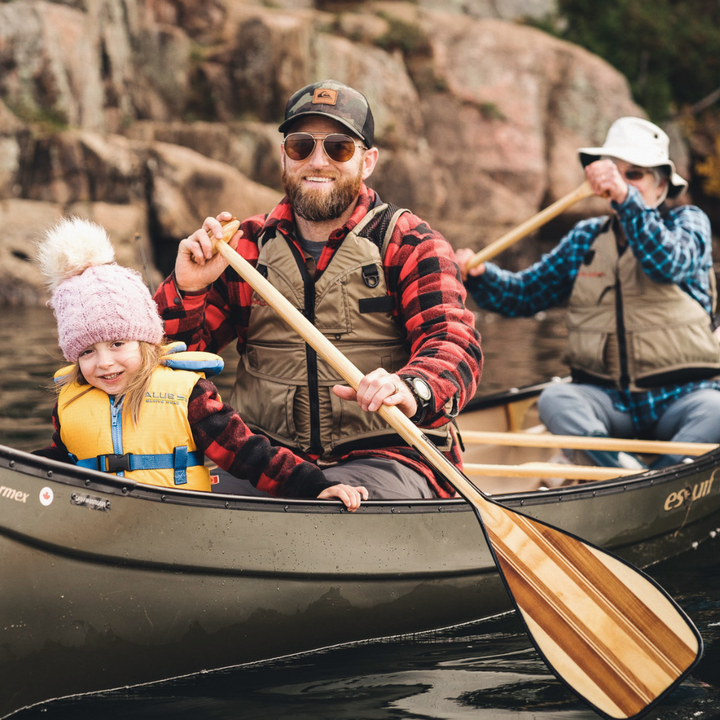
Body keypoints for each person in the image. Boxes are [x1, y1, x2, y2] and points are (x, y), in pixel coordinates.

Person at [154, 79, 482, 499]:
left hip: (388, 456)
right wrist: (188, 288)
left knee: (345, 512)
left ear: (368, 161)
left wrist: (412, 387)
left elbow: (455, 343)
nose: (318, 161)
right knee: (176, 492)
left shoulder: (410, 241)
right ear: (284, 157)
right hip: (267, 461)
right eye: (301, 146)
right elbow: (170, 360)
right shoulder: (243, 247)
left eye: (339, 148)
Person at [33, 216, 366, 510]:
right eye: (87, 352)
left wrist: (314, 486)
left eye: (118, 344)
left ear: (146, 341)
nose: (104, 363)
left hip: (175, 522)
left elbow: (250, 454)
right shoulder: (72, 400)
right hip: (98, 517)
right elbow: (60, 460)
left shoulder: (189, 396)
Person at [455, 117, 720, 469]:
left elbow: (669, 262)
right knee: (556, 399)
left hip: (683, 397)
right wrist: (480, 275)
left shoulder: (690, 222)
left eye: (635, 174)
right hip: (608, 400)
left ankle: (665, 472)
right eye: (615, 172)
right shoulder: (586, 237)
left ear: (661, 187)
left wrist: (627, 200)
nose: (620, 183)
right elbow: (525, 295)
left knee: (716, 410)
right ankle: (620, 471)